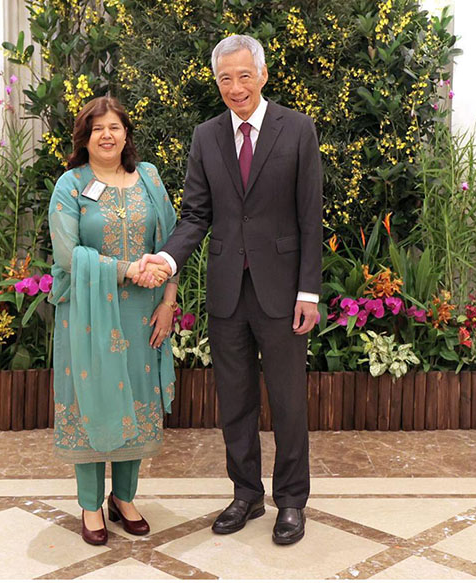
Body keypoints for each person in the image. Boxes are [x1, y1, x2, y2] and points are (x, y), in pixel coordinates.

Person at [136, 34, 323, 545]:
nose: (235, 87)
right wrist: (169, 257)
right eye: (225, 78)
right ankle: (246, 495)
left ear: (262, 75)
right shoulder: (206, 135)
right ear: (215, 81)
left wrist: (309, 291)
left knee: (287, 402)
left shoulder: (298, 129)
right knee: (234, 401)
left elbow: (310, 217)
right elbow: (197, 213)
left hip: (283, 293)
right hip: (226, 291)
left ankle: (290, 501)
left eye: (244, 76)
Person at [47, 96, 178, 546]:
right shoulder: (70, 184)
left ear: (126, 133)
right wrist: (127, 269)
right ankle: (89, 504)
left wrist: (169, 302)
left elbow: (170, 242)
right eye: (97, 127)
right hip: (86, 312)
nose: (107, 135)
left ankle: (124, 498)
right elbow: (66, 255)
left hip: (144, 312)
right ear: (85, 137)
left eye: (115, 127)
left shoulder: (149, 178)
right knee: (93, 395)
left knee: (135, 397)